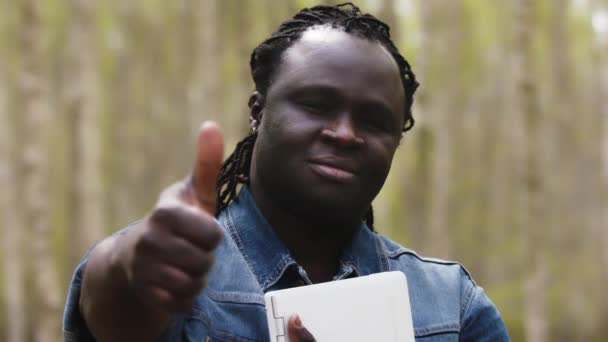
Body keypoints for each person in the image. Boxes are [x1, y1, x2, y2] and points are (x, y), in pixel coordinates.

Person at [63, 3, 509, 341]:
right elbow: (114, 300)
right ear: (258, 112)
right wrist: (130, 262)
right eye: (316, 105)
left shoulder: (451, 306)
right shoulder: (177, 272)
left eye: (374, 121)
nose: (345, 134)